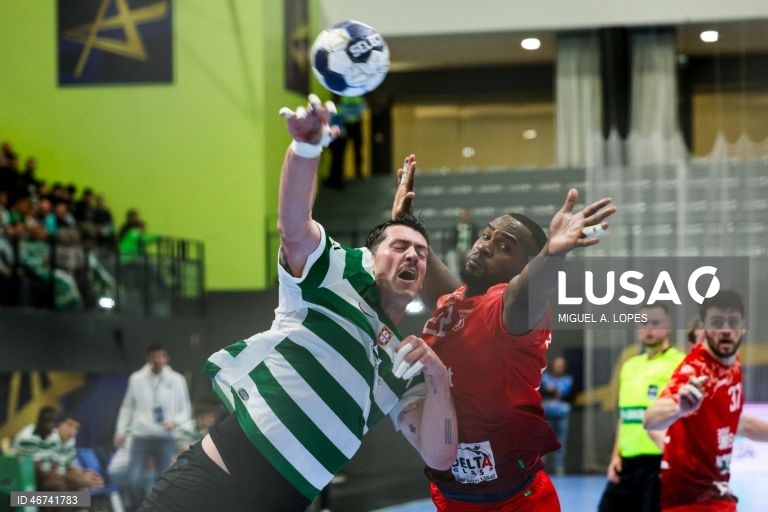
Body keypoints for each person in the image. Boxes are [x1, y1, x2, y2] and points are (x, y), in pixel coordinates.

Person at [138, 95, 457, 512]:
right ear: (371, 255)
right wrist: (305, 149)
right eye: (399, 246)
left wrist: (438, 378)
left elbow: (440, 455)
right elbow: (293, 226)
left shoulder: (406, 361)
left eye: (421, 252)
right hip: (215, 484)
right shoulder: (332, 275)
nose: (413, 255)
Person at [392, 154, 616, 511]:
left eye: (503, 247)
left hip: (515, 502)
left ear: (522, 267)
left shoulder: (513, 310)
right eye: (486, 235)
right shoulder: (459, 301)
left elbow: (524, 292)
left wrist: (552, 255)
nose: (484, 245)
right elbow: (436, 276)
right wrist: (406, 225)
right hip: (452, 498)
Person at [644, 290, 768, 511]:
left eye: (732, 322)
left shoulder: (732, 364)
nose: (726, 330)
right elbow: (650, 420)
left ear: (743, 326)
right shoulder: (695, 370)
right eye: (717, 323)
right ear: (704, 327)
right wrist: (679, 409)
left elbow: (741, 423)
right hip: (690, 499)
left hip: (716, 491)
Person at [598, 304, 685, 512]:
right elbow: (625, 416)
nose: (649, 329)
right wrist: (615, 457)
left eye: (656, 323)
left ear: (669, 327)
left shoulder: (680, 363)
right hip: (627, 463)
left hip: (659, 462)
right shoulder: (629, 366)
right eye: (644, 323)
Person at [115, 345, 191, 511]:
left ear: (166, 359)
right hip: (141, 435)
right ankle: (140, 508)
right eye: (154, 357)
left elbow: (185, 410)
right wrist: (120, 431)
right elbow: (127, 407)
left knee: (164, 480)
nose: (158, 361)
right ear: (148, 359)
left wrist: (174, 422)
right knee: (134, 479)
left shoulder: (177, 379)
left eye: (161, 357)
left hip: (166, 436)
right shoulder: (136, 379)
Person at [541, 355, 574, 476]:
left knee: (560, 443)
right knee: (543, 442)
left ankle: (559, 467)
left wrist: (556, 392)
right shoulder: (545, 378)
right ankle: (540, 467)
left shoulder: (568, 379)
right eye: (557, 365)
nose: (559, 367)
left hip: (562, 415)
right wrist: (547, 390)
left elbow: (572, 396)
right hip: (546, 416)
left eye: (561, 366)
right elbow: (539, 393)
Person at [445, 208, 479, 275]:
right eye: (462, 215)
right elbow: (450, 241)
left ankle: (470, 275)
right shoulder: (455, 228)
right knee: (451, 256)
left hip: (469, 250)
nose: (464, 217)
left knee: (471, 256)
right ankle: (455, 278)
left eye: (466, 215)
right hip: (456, 250)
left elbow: (476, 241)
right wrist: (457, 250)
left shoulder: (474, 228)